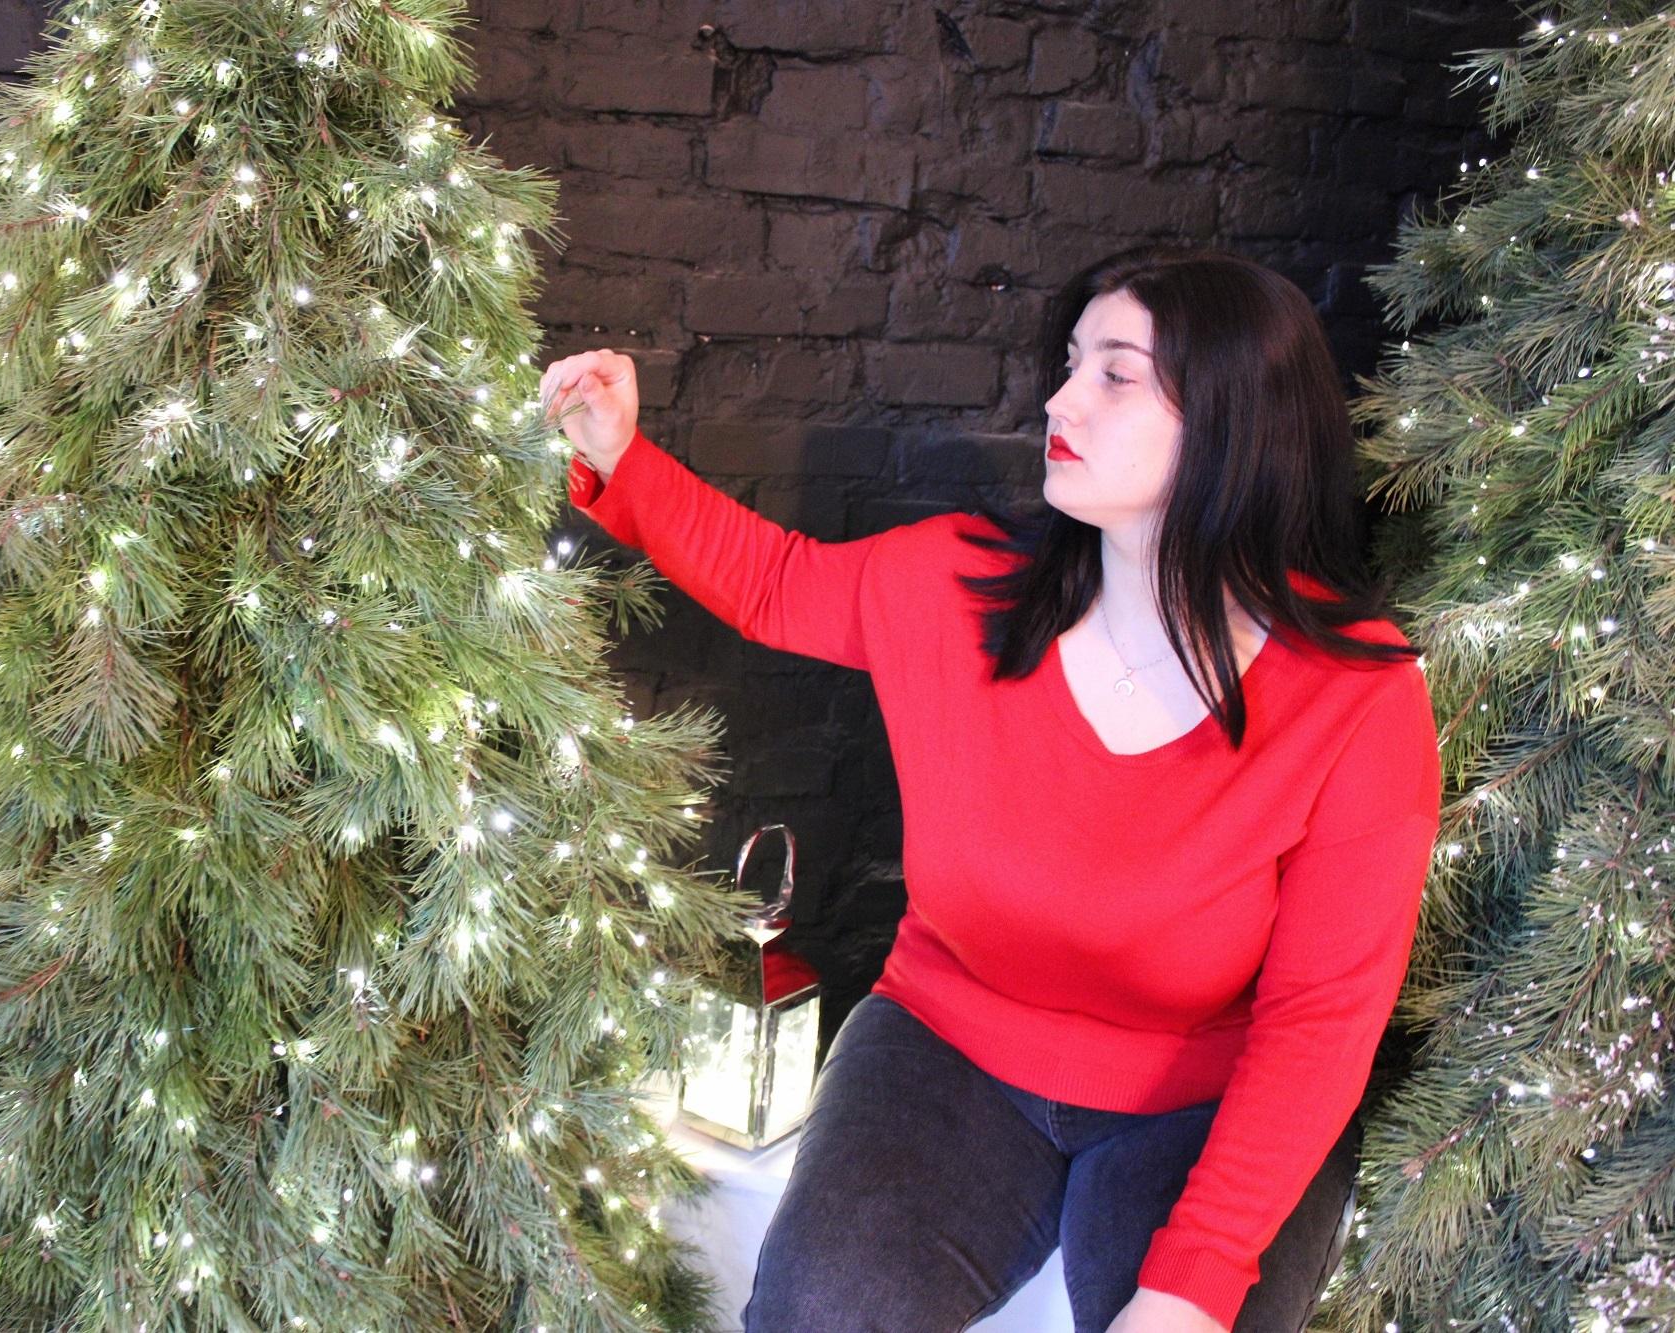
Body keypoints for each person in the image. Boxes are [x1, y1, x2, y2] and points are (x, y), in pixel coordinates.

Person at [538, 243, 1443, 1333]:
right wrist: (619, 455)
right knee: (817, 1310)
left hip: (1200, 1099)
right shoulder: (956, 584)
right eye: (1070, 363)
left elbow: (1317, 1024)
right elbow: (775, 584)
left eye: (1115, 374)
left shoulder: (1356, 697)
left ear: (1233, 420)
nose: (1060, 399)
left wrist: (1190, 1282)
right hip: (948, 1044)